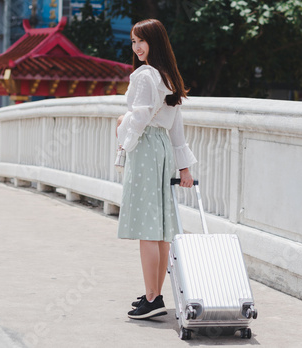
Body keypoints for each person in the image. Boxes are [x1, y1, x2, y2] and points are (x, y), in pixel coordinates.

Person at [116, 18, 197, 320]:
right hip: (161, 149)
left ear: (154, 42)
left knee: (146, 227)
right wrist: (184, 168)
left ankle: (152, 297)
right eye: (134, 42)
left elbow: (139, 116)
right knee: (160, 228)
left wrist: (123, 136)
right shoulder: (169, 76)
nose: (136, 47)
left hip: (146, 149)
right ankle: (154, 294)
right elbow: (176, 128)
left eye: (141, 41)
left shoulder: (144, 75)